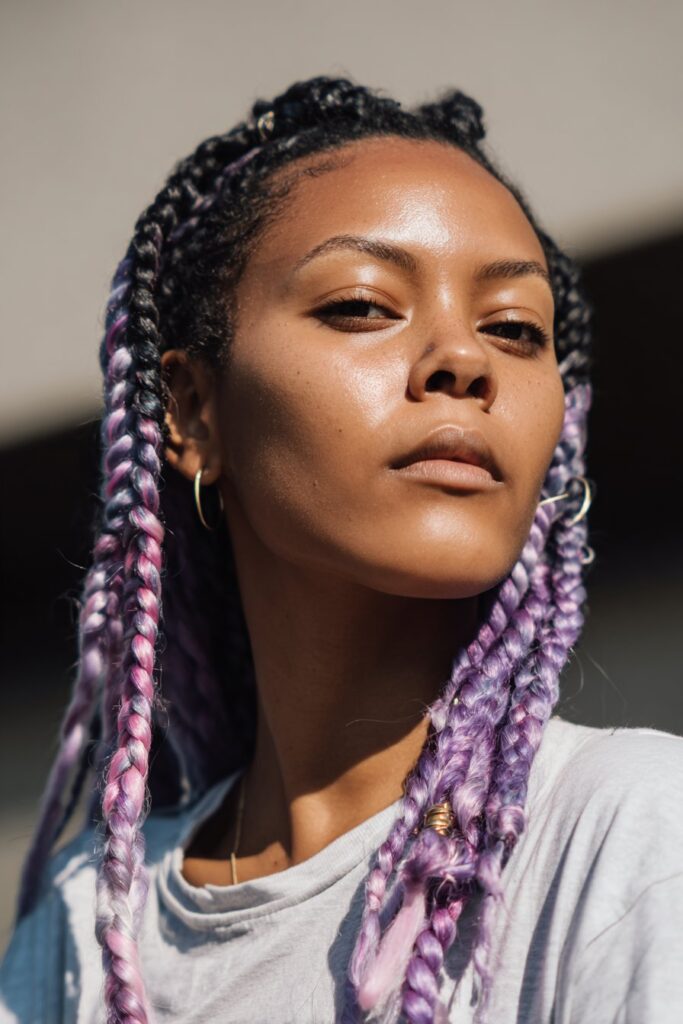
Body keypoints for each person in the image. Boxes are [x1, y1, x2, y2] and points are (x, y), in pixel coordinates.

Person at [1, 73, 682, 1024]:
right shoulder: (85, 930)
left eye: (516, 329)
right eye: (363, 305)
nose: (465, 359)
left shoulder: (627, 835)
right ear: (195, 411)